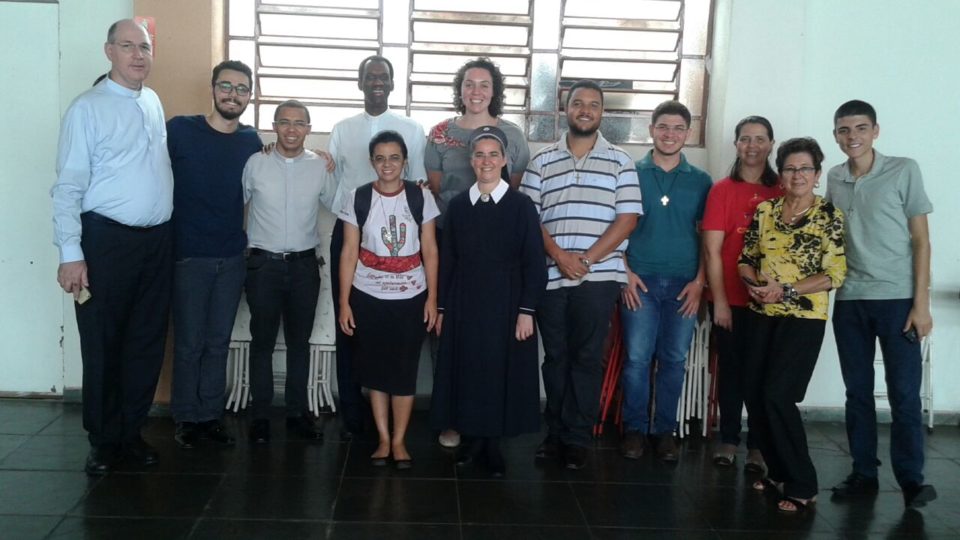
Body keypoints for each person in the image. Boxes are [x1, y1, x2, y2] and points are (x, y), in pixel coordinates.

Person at [51, 19, 173, 475]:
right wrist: (70, 253)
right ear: (109, 51)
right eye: (128, 46)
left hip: (157, 242)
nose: (138, 55)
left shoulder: (154, 101)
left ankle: (131, 432)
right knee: (104, 342)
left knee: (145, 341)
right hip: (105, 241)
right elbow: (67, 187)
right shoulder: (88, 108)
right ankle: (103, 440)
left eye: (144, 46)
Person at [519, 79, 642, 470]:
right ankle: (554, 435)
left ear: (602, 112)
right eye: (577, 103)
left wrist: (585, 260)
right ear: (566, 110)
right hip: (551, 279)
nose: (585, 109)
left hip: (599, 278)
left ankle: (577, 438)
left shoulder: (621, 161)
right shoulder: (541, 161)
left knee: (587, 359)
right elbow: (528, 219)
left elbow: (627, 221)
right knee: (555, 358)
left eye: (593, 104)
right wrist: (557, 254)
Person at [825, 100, 937, 509]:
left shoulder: (903, 169)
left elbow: (921, 240)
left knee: (904, 394)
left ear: (876, 131)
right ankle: (863, 473)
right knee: (857, 392)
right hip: (850, 299)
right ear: (835, 134)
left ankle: (912, 480)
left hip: (897, 299)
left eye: (860, 128)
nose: (852, 136)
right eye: (843, 130)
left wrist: (920, 305)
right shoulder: (834, 178)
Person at [425, 56, 530, 448]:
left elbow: (511, 186)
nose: (476, 91)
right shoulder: (440, 133)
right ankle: (452, 415)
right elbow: (436, 188)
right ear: (460, 88)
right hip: (451, 235)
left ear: (494, 91)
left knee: (492, 343)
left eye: (485, 84)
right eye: (469, 83)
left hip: (498, 241)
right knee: (449, 335)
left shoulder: (512, 135)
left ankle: (489, 422)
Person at [430, 126, 546, 477]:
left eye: (493, 154)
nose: (486, 161)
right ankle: (474, 440)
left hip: (507, 303)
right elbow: (448, 259)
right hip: (465, 302)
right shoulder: (460, 206)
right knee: (469, 370)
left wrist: (527, 310)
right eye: (479, 154)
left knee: (498, 371)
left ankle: (493, 445)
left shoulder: (520, 205)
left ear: (505, 159)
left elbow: (534, 262)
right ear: (471, 160)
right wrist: (442, 308)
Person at [738, 137, 846, 513]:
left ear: (817, 173)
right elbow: (746, 257)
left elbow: (835, 273)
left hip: (803, 317)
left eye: (805, 168)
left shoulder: (828, 215)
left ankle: (803, 482)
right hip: (762, 314)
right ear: (780, 173)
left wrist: (784, 290)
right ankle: (779, 471)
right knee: (755, 393)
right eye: (789, 168)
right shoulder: (767, 210)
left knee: (779, 396)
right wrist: (755, 286)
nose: (797, 175)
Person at [327, 55, 427, 438]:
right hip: (351, 233)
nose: (377, 83)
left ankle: (391, 420)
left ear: (392, 82)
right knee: (350, 322)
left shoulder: (411, 129)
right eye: (370, 77)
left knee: (394, 328)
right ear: (359, 83)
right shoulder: (342, 129)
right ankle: (354, 414)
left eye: (383, 77)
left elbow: (417, 185)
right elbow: (333, 186)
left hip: (400, 241)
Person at [166, 60, 263, 449]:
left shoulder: (251, 141)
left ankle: (210, 416)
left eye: (241, 89)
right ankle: (186, 418)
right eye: (226, 86)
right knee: (189, 342)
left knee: (218, 341)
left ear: (249, 96)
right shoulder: (180, 130)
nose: (232, 95)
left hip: (231, 255)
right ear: (213, 88)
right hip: (188, 254)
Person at [338, 130, 439, 469]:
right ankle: (383, 439)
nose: (387, 164)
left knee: (404, 369)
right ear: (372, 162)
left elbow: (430, 250)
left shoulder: (420, 197)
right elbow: (349, 251)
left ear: (405, 160)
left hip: (411, 296)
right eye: (380, 158)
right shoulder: (357, 197)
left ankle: (400, 441)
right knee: (376, 369)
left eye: (394, 157)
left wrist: (432, 299)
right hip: (368, 296)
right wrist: (344, 302)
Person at [619, 100, 712, 463]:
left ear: (687, 134)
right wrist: (624, 273)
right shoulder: (630, 173)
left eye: (677, 128)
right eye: (663, 127)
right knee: (638, 359)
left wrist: (701, 282)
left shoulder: (701, 181)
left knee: (674, 360)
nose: (670, 134)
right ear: (651, 130)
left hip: (684, 285)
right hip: (638, 281)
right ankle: (634, 430)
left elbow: (709, 237)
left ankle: (664, 432)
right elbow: (618, 226)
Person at [242, 100, 335, 444]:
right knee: (262, 343)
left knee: (299, 344)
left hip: (303, 267)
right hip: (262, 265)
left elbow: (340, 204)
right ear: (274, 126)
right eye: (285, 122)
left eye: (299, 123)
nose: (292, 129)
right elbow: (234, 204)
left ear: (309, 129)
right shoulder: (256, 163)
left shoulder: (319, 168)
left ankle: (297, 415)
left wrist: (333, 165)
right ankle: (261, 417)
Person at [702, 116, 781, 470]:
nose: (752, 146)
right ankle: (729, 438)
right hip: (729, 299)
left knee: (763, 373)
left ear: (771, 145)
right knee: (731, 371)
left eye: (760, 139)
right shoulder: (721, 190)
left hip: (771, 302)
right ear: (736, 144)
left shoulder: (783, 189)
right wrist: (719, 300)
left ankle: (759, 445)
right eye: (745, 139)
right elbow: (712, 250)